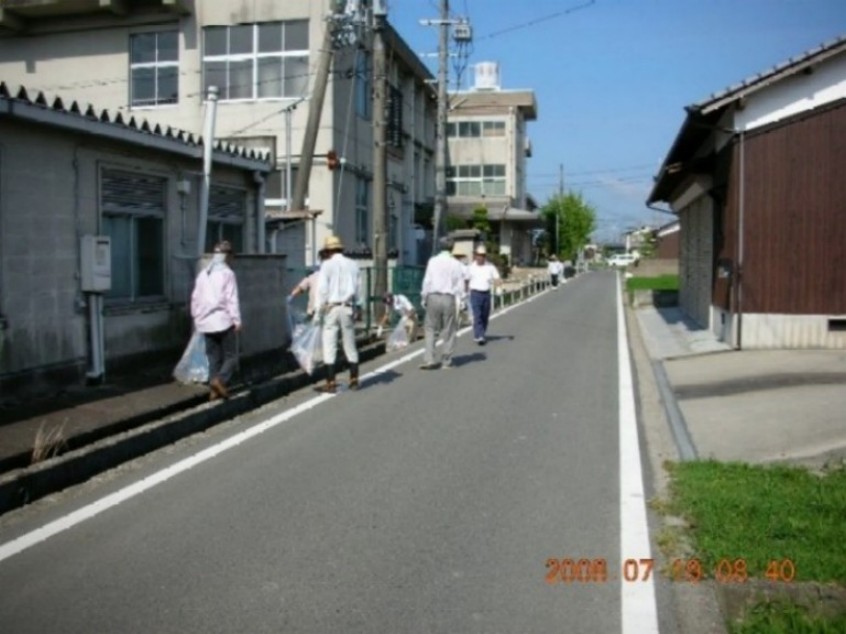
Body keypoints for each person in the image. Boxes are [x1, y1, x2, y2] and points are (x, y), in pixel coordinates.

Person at [190, 240, 242, 401]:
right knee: (231, 356)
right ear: (227, 256)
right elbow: (231, 298)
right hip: (223, 320)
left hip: (205, 322)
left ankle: (214, 390)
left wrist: (197, 318)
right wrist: (237, 319)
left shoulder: (204, 274)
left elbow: (195, 298)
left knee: (213, 358)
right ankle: (219, 381)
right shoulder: (227, 273)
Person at [315, 235, 361, 393]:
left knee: (330, 345)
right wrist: (359, 306)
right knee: (350, 344)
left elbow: (322, 290)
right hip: (348, 307)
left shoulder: (326, 265)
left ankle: (331, 382)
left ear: (328, 251)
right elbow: (358, 288)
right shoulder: (353, 264)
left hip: (331, 308)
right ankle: (354, 379)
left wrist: (318, 310)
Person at [420, 236, 465, 369]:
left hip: (433, 296)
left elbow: (427, 281)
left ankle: (429, 359)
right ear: (452, 248)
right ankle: (446, 361)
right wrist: (460, 300)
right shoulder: (456, 263)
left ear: (440, 247)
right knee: (449, 329)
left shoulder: (432, 261)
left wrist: (424, 297)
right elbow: (459, 284)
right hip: (448, 297)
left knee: (430, 328)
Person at [467, 244, 502, 345]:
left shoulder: (490, 267)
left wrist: (498, 287)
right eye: (478, 255)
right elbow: (465, 280)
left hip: (486, 294)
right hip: (475, 293)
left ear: (485, 256)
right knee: (477, 315)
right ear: (475, 255)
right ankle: (479, 335)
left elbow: (497, 278)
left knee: (484, 316)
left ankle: (481, 333)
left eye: (482, 255)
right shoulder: (471, 267)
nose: (480, 257)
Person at [288, 250, 326, 317]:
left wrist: (291, 296)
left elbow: (301, 287)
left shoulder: (315, 276)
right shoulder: (314, 276)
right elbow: (301, 287)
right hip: (315, 312)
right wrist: (291, 296)